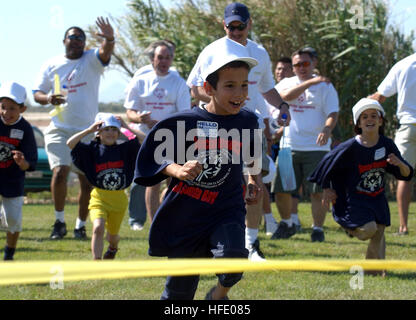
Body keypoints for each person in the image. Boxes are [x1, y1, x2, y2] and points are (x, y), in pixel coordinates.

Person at [134, 44, 262, 300]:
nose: (239, 93)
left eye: (244, 85)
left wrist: (251, 178)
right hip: (187, 215)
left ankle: (216, 296)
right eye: (230, 86)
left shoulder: (247, 120)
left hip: (226, 208)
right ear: (208, 88)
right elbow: (154, 157)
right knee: (178, 295)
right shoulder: (183, 122)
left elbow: (252, 152)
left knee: (234, 262)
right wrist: (177, 170)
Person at [187, 2, 290, 261]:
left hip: (250, 126)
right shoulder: (212, 51)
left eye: (240, 26)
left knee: (255, 183)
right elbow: (195, 88)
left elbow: (266, 88)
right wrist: (218, 101)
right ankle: (205, 239)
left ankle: (250, 245)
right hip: (215, 127)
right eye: (230, 26)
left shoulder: (260, 53)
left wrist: (282, 105)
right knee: (211, 182)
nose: (235, 31)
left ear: (249, 24)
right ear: (224, 26)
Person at [32, 17, 115, 240]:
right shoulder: (51, 64)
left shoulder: (92, 59)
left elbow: (105, 52)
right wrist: (49, 98)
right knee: (60, 173)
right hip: (59, 129)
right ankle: (59, 223)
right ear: (64, 40)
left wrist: (109, 38)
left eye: (81, 38)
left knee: (87, 182)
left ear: (84, 43)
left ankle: (80, 226)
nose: (76, 41)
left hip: (87, 131)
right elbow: (37, 94)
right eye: (73, 37)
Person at [308, 98, 412, 274]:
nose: (369, 119)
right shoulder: (350, 147)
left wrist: (399, 163)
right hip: (354, 199)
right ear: (358, 123)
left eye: (373, 116)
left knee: (379, 230)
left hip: (377, 198)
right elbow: (326, 165)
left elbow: (407, 173)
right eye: (364, 117)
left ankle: (375, 271)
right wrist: (327, 188)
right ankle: (350, 228)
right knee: (370, 230)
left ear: (380, 121)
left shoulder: (386, 144)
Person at [271, 48, 339, 242]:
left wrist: (327, 129)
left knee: (317, 192)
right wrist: (312, 81)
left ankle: (317, 229)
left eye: (305, 63)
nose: (301, 68)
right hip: (289, 145)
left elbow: (333, 113)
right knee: (281, 189)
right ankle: (287, 223)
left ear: (314, 63)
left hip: (317, 148)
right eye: (297, 65)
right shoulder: (288, 82)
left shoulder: (326, 87)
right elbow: (284, 97)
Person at [124, 40, 191, 225]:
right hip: (147, 138)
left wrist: (167, 125)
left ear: (172, 60)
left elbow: (185, 114)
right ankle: (154, 224)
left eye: (168, 57)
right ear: (152, 59)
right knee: (152, 182)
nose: (163, 61)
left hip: (172, 137)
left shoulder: (179, 83)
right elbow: (130, 111)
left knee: (173, 182)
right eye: (160, 57)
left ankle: (170, 221)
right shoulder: (140, 81)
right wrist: (140, 119)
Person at [67, 113, 144, 259]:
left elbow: (146, 140)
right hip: (99, 197)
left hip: (119, 200)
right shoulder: (91, 150)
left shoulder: (125, 149)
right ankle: (97, 263)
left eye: (114, 129)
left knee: (112, 236)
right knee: (97, 228)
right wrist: (89, 130)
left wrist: (127, 127)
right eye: (106, 129)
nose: (111, 133)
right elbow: (70, 143)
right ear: (99, 132)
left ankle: (113, 248)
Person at [368, 53, 416, 235]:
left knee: (404, 176)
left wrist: (361, 114)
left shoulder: (403, 64)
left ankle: (403, 227)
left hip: (408, 127)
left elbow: (379, 97)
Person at [0, 82, 37, 260]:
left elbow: (30, 162)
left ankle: (9, 254)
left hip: (12, 180)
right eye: (3, 107)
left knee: (12, 220)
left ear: (23, 108)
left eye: (12, 108)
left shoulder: (26, 129)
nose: (6, 113)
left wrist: (22, 162)